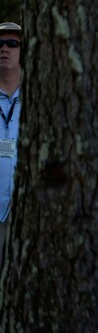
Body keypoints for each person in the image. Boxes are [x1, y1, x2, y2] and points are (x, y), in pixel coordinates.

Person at [0, 22, 21, 268]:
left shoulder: (41, 96)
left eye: (12, 44)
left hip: (24, 215)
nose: (4, 48)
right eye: (0, 44)